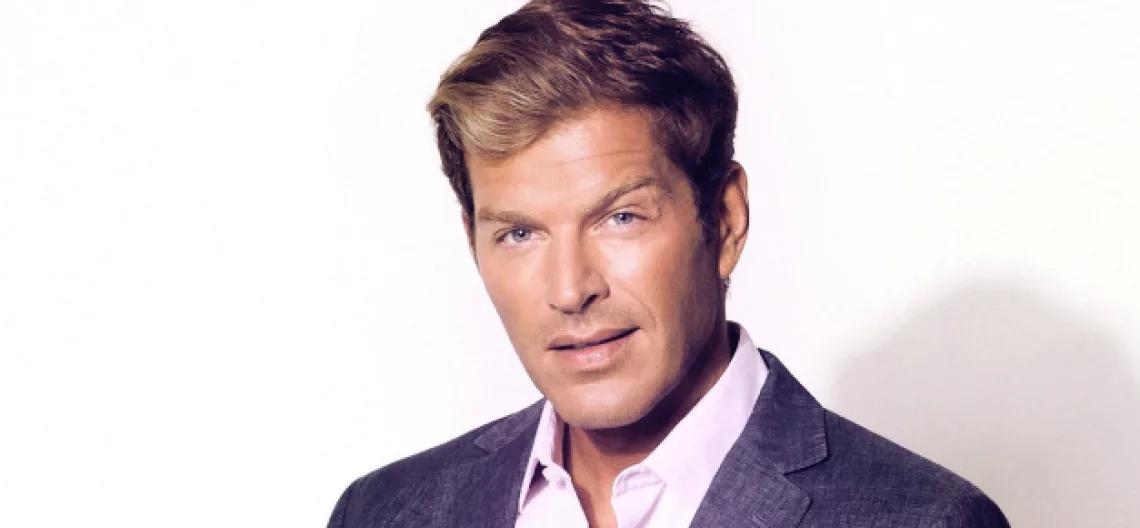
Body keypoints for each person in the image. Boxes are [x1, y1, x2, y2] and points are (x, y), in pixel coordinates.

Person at [327, 1, 1009, 526]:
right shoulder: (385, 511)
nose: (569, 289)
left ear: (726, 220)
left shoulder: (923, 518)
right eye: (519, 234)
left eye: (621, 218)